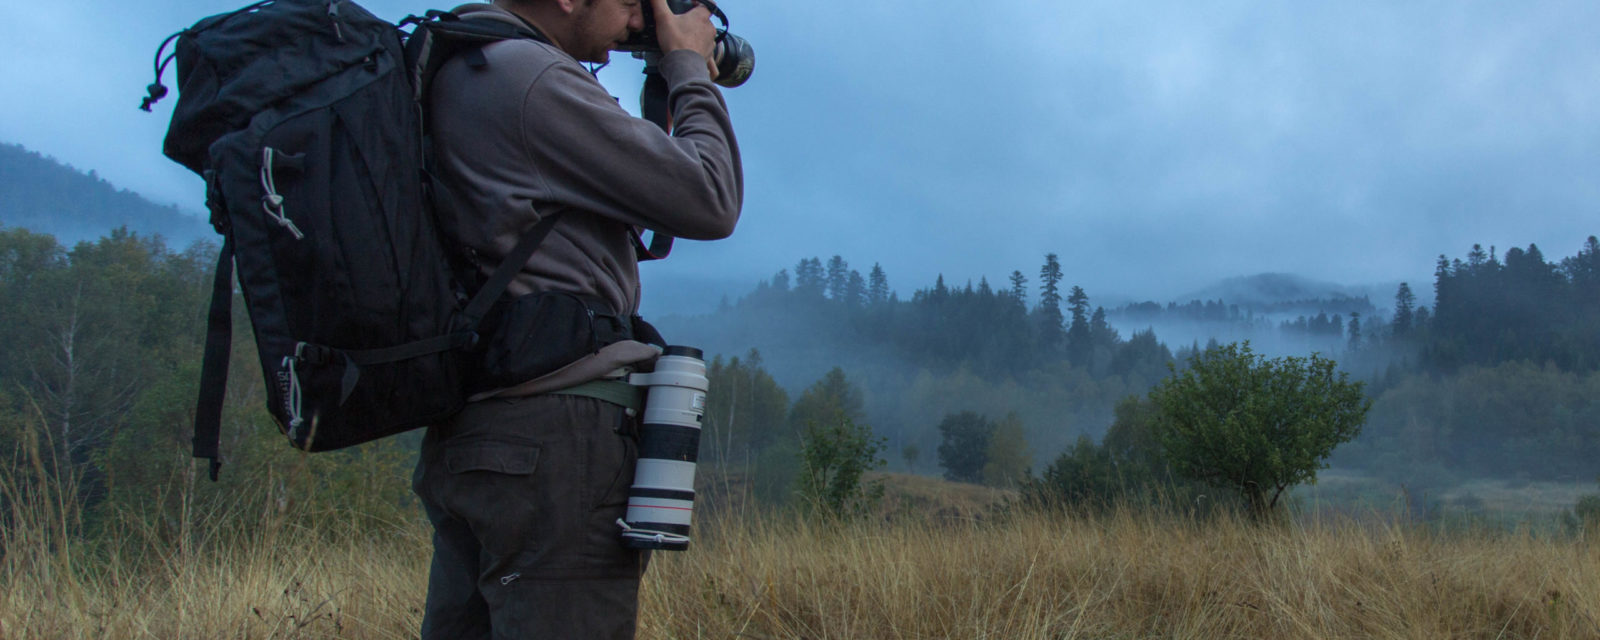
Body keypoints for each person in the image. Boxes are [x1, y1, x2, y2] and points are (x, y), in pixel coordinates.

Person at [409, 0, 742, 636]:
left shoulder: (462, 68)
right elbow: (709, 199)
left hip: (480, 431)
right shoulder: (531, 79)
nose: (634, 20)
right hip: (554, 441)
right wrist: (689, 70)